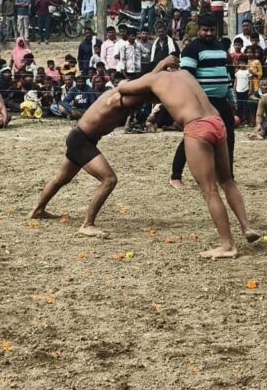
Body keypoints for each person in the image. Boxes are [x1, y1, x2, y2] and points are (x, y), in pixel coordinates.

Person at [110, 61, 258, 259]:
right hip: (217, 121)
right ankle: (247, 227)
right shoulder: (186, 75)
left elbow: (123, 87)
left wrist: (147, 74)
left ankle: (228, 245)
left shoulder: (153, 79)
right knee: (227, 180)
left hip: (197, 127)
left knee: (210, 190)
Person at [31, 58, 174, 237]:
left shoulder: (123, 91)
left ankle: (38, 210)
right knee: (109, 179)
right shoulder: (122, 96)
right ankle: (87, 224)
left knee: (61, 178)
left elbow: (147, 88)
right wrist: (163, 67)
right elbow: (148, 86)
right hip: (82, 140)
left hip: (80, 138)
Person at [170, 14, 235, 190]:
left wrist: (231, 97)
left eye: (212, 30)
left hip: (221, 101)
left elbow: (225, 74)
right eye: (205, 30)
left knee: (228, 138)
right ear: (198, 30)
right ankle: (176, 176)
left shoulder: (220, 47)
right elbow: (187, 79)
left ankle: (228, 177)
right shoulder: (191, 49)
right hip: (202, 103)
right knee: (193, 138)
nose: (209, 33)